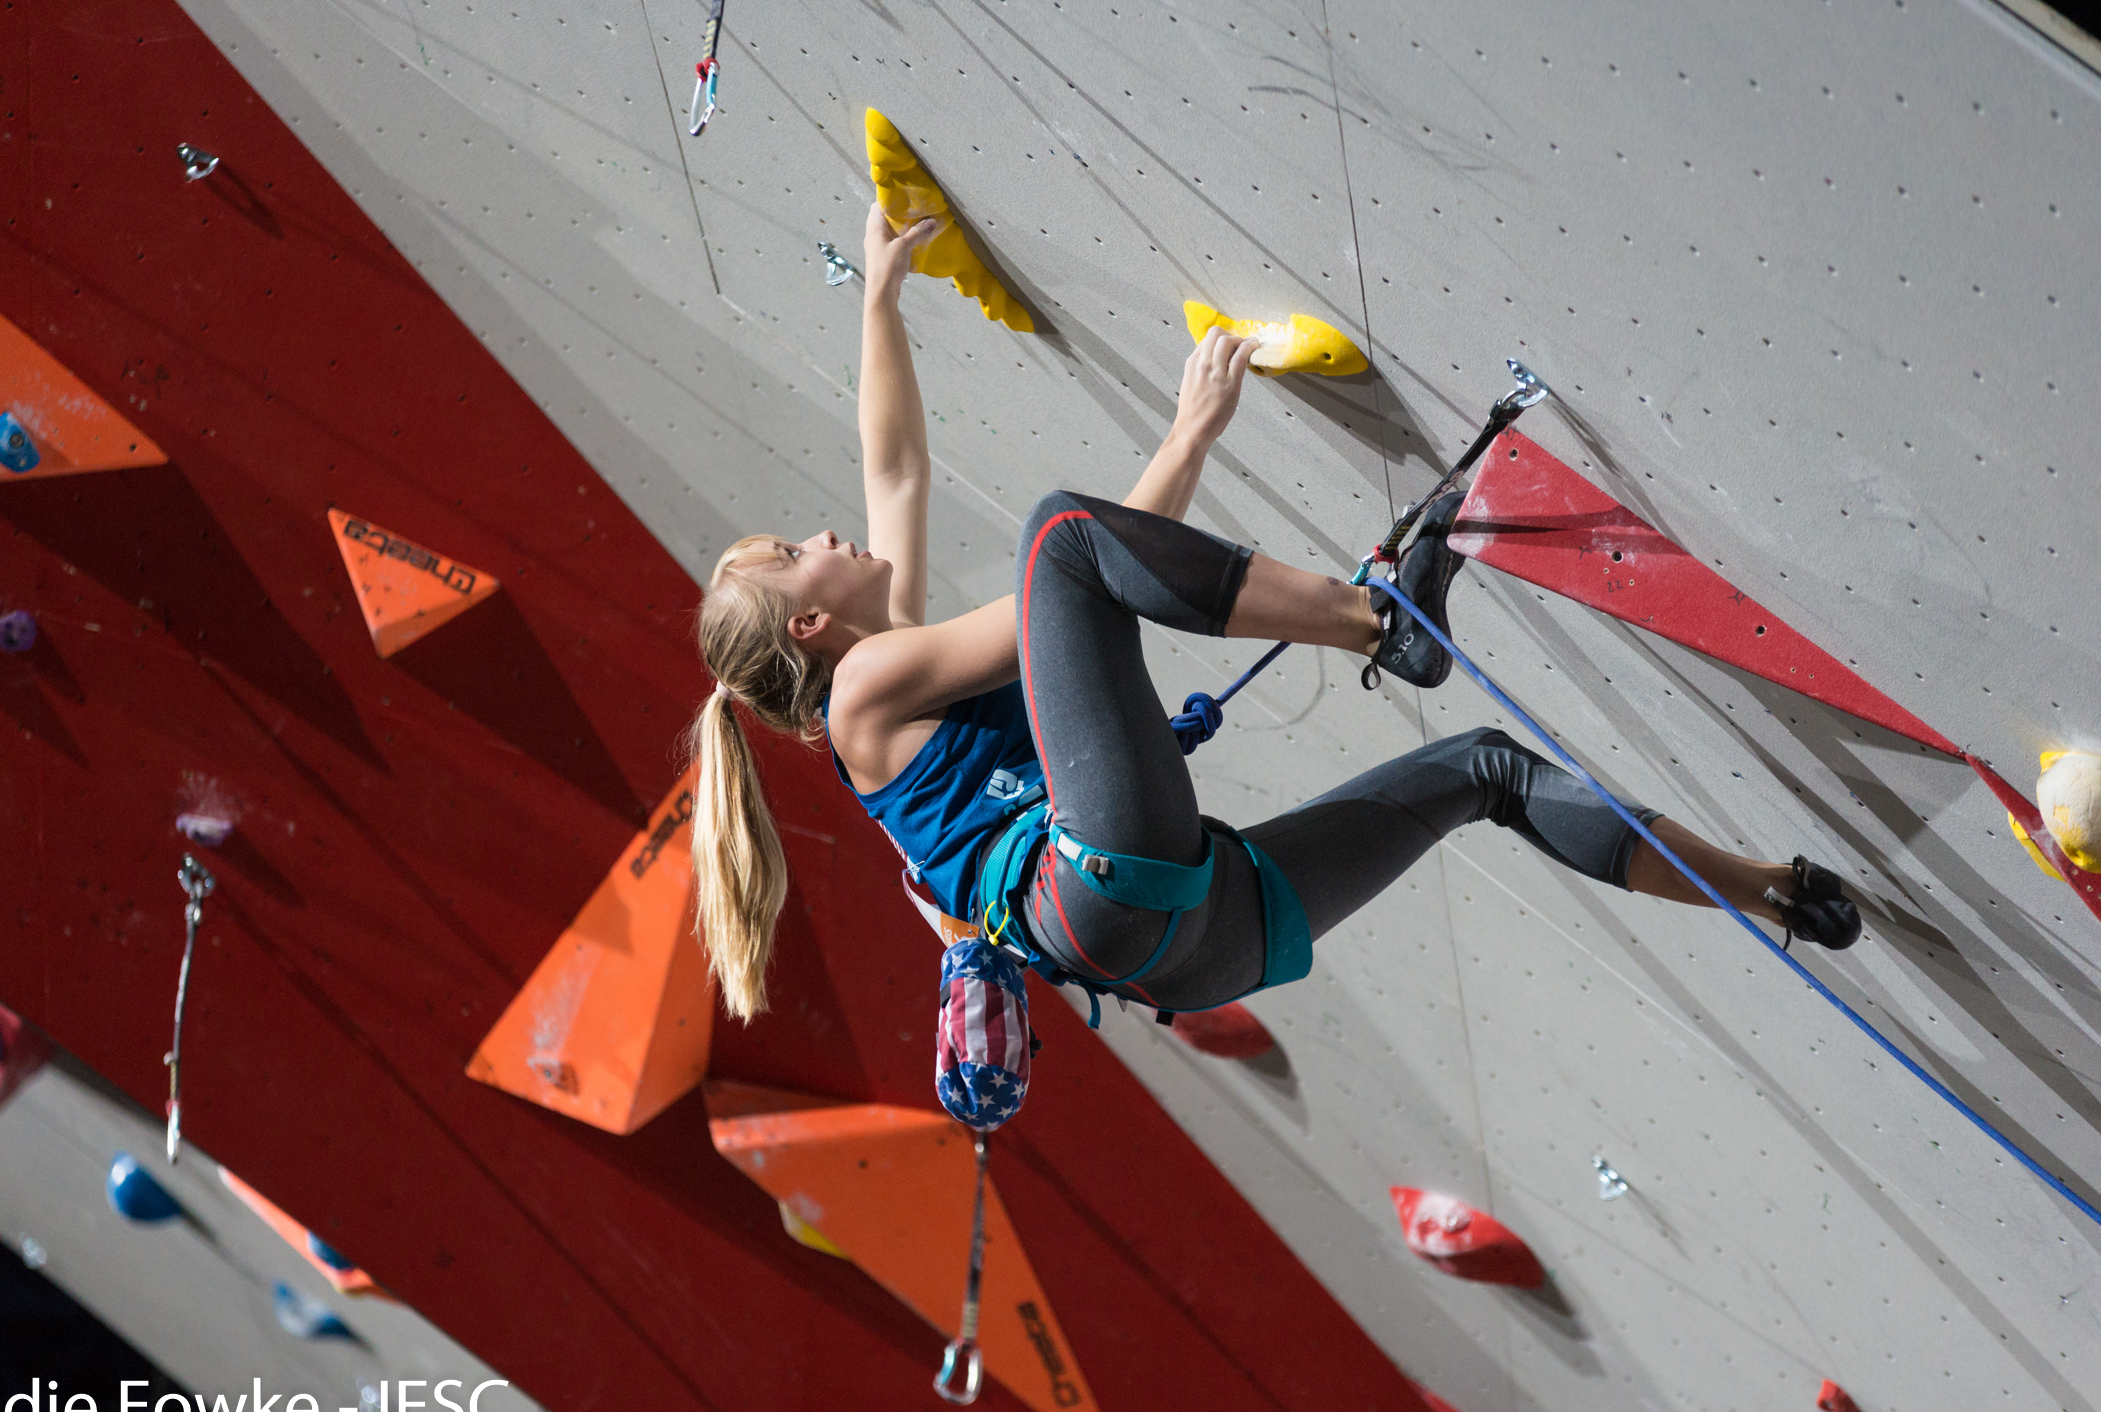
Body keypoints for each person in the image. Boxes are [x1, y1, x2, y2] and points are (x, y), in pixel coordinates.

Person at [688, 203, 1861, 1022]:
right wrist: (1185, 450)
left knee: (1485, 774)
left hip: (1187, 948)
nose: (824, 536)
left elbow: (897, 473)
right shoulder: (861, 694)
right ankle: (1380, 622)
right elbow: (1075, 567)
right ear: (807, 629)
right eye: (796, 555)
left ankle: (1773, 892)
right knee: (1056, 529)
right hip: (1099, 879)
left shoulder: (881, 677)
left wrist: (882, 300)